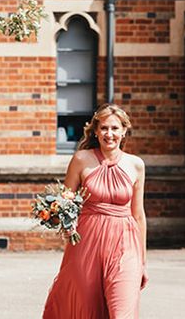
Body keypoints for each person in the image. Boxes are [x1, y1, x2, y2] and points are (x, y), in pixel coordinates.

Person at [42, 102, 147, 319]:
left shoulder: (136, 165)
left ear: (124, 131)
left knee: (122, 312)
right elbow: (65, 201)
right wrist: (64, 224)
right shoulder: (81, 159)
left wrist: (143, 261)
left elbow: (138, 214)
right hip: (87, 243)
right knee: (85, 309)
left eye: (115, 128)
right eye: (104, 128)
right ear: (96, 131)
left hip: (125, 244)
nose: (110, 134)